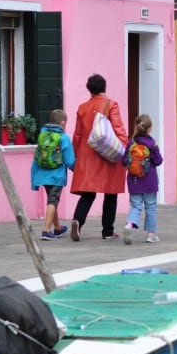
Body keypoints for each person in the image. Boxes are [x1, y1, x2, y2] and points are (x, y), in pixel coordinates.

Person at [70, 74, 128, 241]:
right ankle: (107, 231)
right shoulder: (111, 104)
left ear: (89, 89)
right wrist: (123, 148)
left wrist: (77, 153)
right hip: (108, 154)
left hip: (88, 155)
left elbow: (77, 135)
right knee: (111, 193)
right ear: (104, 87)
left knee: (88, 193)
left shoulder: (82, 107)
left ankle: (78, 221)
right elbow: (118, 129)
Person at [31, 109, 76, 240]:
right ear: (62, 123)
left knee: (52, 200)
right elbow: (69, 161)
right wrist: (76, 169)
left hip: (43, 174)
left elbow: (37, 156)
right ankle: (46, 230)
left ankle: (57, 228)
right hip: (57, 176)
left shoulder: (42, 134)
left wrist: (34, 177)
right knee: (53, 201)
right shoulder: (64, 137)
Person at [122, 114, 164, 245]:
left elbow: (124, 161)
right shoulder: (152, 144)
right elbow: (158, 161)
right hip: (149, 180)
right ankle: (151, 235)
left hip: (133, 181)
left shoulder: (131, 143)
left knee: (136, 205)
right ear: (149, 129)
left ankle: (129, 225)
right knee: (150, 207)